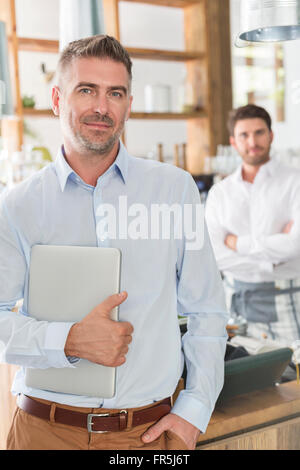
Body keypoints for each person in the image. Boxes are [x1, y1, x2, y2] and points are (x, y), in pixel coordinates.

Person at [1, 35, 228, 451]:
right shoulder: (16, 206)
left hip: (148, 434)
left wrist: (194, 410)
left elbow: (207, 310)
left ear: (128, 103)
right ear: (56, 99)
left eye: (115, 93)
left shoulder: (173, 189)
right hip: (42, 432)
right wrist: (67, 339)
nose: (102, 108)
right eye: (86, 90)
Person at [205, 104, 300, 346]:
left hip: (289, 297)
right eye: (244, 135)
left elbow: (295, 245)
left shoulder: (295, 181)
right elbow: (215, 256)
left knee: (294, 376)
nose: (252, 141)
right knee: (246, 376)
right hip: (235, 300)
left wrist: (238, 243)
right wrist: (273, 259)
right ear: (233, 141)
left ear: (271, 135)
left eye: (259, 132)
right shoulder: (220, 193)